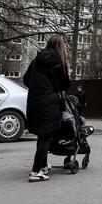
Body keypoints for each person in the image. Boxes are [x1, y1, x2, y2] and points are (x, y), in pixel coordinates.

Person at [23, 34, 71, 182]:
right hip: (49, 103)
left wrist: (39, 88)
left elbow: (26, 80)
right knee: (46, 137)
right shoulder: (60, 62)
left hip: (33, 101)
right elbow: (65, 86)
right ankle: (35, 172)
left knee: (42, 135)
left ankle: (43, 166)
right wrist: (51, 90)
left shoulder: (36, 60)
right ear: (60, 46)